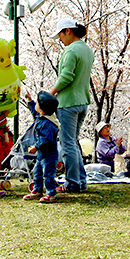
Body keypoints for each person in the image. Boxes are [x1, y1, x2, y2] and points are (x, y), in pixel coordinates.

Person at [50, 18, 94, 193]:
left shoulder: (70, 51)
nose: (60, 39)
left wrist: (50, 93)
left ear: (68, 31)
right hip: (82, 101)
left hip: (68, 103)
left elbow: (66, 77)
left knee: (68, 144)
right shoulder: (87, 50)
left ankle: (73, 183)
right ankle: (80, 181)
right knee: (74, 143)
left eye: (60, 35)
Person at [23, 91, 61, 204]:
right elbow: (35, 113)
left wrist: (36, 146)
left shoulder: (48, 124)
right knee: (37, 172)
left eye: (37, 103)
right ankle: (37, 190)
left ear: (43, 109)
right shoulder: (43, 117)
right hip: (42, 154)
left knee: (48, 173)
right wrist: (30, 101)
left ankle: (51, 193)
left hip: (49, 154)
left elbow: (46, 140)